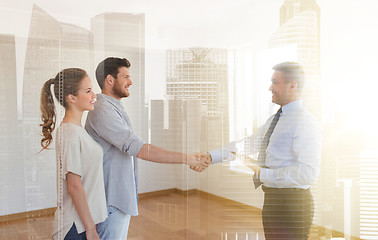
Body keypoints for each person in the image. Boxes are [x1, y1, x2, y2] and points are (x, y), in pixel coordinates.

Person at [85, 57, 208, 239]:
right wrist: (187, 158)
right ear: (110, 80)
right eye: (125, 77)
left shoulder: (112, 107)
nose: (130, 82)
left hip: (116, 199)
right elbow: (139, 149)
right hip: (111, 201)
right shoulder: (103, 110)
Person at [205, 62, 322, 240]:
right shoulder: (275, 119)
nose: (270, 88)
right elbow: (249, 144)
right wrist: (210, 156)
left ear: (292, 85)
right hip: (273, 199)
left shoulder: (306, 122)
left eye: (275, 82)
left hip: (293, 204)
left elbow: (309, 174)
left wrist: (263, 173)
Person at [40, 68, 107, 240]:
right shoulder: (69, 134)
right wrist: (90, 228)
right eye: (88, 91)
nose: (94, 95)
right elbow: (74, 185)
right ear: (72, 98)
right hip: (76, 227)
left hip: (84, 222)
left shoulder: (78, 131)